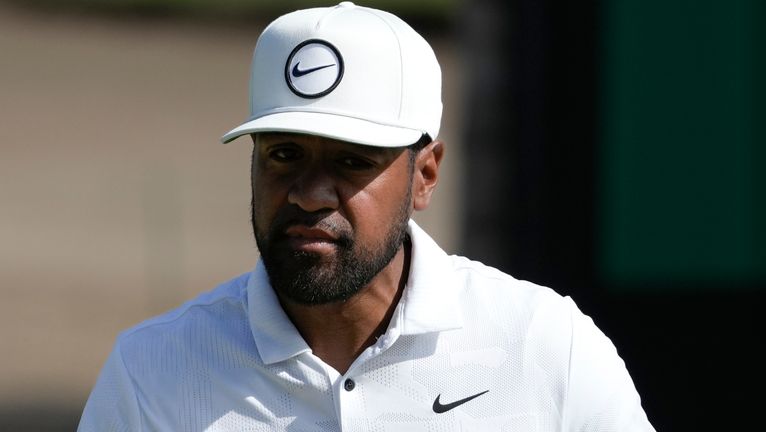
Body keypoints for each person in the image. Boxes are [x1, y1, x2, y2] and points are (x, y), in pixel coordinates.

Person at [78, 2, 655, 431]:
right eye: (284, 155)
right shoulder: (151, 372)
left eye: (352, 162)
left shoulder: (546, 345)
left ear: (425, 174)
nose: (309, 194)